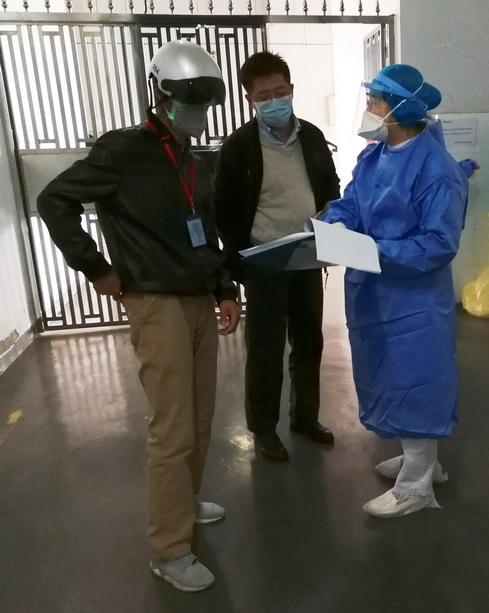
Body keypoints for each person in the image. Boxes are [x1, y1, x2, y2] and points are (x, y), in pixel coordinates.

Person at [37, 40, 240, 591]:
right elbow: (54, 200)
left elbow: (207, 231)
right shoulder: (123, 151)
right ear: (162, 95)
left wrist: (224, 287)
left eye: (204, 105)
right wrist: (95, 268)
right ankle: (169, 550)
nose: (197, 114)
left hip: (198, 300)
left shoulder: (195, 160)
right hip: (156, 303)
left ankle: (185, 502)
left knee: (200, 418)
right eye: (189, 103)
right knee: (172, 428)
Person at [320, 64, 468, 518]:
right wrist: (335, 224)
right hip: (375, 293)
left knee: (415, 378)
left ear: (400, 108)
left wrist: (373, 250)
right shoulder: (374, 157)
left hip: (414, 300)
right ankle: (421, 458)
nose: (368, 108)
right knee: (388, 375)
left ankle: (416, 487)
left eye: (375, 100)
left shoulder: (436, 169)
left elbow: (438, 243)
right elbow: (351, 202)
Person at [215, 52, 340, 462]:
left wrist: (331, 218)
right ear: (249, 99)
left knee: (309, 342)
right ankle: (264, 429)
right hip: (263, 262)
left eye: (280, 92)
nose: (274, 101)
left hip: (307, 256)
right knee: (265, 350)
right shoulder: (238, 147)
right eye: (264, 96)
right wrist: (238, 267)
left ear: (291, 90)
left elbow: (330, 185)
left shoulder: (312, 137)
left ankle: (305, 417)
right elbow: (224, 212)